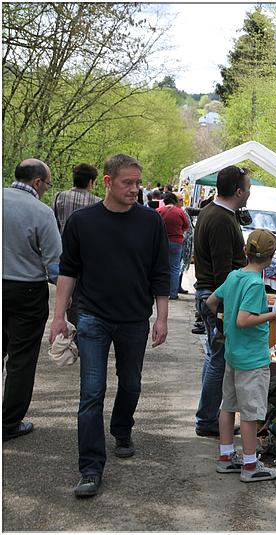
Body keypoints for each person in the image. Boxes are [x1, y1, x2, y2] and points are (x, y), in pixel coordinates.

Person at [49, 153, 170, 498]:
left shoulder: (150, 223)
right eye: (127, 183)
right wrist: (58, 316)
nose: (135, 189)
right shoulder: (82, 222)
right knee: (91, 392)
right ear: (107, 182)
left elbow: (160, 274)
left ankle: (122, 428)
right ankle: (90, 468)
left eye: (137, 182)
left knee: (131, 384)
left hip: (134, 318)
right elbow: (68, 271)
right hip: (91, 316)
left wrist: (161, 317)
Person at [207, 229, 276, 482]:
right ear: (271, 258)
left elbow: (212, 301)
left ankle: (225, 457)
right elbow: (245, 320)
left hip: (233, 353)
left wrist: (222, 325)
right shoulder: (256, 284)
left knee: (228, 406)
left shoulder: (235, 276)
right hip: (252, 359)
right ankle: (249, 464)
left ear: (246, 251)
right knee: (250, 413)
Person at [3, 159, 62, 440]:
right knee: (21, 360)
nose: (47, 189)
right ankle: (9, 422)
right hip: (26, 291)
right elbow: (54, 265)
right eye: (47, 184)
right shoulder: (41, 212)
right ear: (37, 182)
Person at [193, 166, 251, 437]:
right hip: (215, 298)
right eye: (247, 188)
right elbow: (222, 273)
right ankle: (207, 421)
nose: (249, 192)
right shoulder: (220, 219)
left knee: (213, 359)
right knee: (218, 361)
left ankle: (208, 417)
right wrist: (227, 308)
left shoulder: (214, 213)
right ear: (238, 191)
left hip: (212, 296)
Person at [52, 163, 102, 326]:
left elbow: (54, 224)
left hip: (64, 252)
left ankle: (72, 323)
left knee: (69, 293)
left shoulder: (59, 197)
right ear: (91, 182)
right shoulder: (97, 202)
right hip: (90, 256)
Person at [157, 192, 190, 300]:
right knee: (175, 268)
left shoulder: (159, 211)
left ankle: (159, 292)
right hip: (177, 242)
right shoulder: (179, 212)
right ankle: (173, 293)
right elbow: (186, 225)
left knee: (160, 267)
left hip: (162, 242)